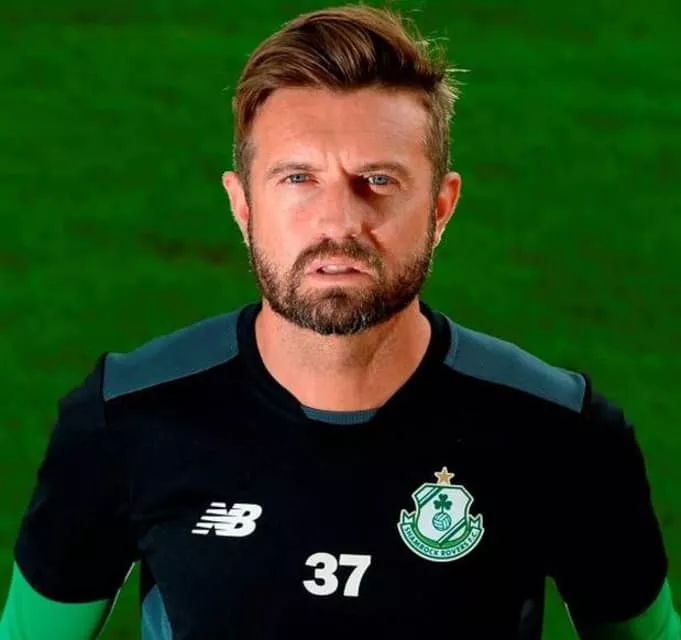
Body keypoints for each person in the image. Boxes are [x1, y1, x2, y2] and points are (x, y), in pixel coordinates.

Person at [0, 5, 679, 639]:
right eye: (298, 178)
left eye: (378, 180)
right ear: (242, 205)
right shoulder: (125, 414)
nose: (338, 221)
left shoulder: (561, 431)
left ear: (440, 207)